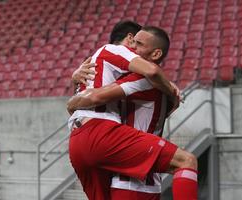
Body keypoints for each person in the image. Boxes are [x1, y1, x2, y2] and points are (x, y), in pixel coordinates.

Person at [67, 21, 197, 200]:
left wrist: (72, 101)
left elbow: (96, 96)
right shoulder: (137, 73)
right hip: (131, 174)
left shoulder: (142, 78)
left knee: (187, 160)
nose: (134, 48)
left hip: (97, 150)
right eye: (133, 43)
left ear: (155, 53)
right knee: (187, 161)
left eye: (139, 44)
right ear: (128, 39)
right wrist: (171, 89)